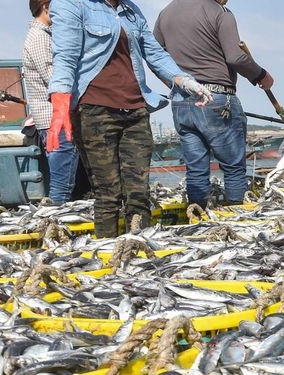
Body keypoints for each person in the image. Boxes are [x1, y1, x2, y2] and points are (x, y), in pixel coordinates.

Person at [47, 0, 212, 238]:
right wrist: (60, 105)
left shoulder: (130, 10)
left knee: (138, 193)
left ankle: (140, 248)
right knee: (107, 193)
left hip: (135, 110)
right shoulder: (71, 4)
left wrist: (186, 81)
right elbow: (65, 56)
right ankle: (105, 248)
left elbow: (155, 54)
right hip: (94, 111)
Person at [154, 0, 273, 207]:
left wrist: (177, 84)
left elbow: (156, 57)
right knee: (233, 167)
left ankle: (197, 218)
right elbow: (236, 57)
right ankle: (237, 217)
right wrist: (261, 75)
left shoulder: (165, 13)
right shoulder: (220, 13)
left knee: (196, 169)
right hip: (217, 99)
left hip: (181, 101)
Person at [22, 0, 80, 204]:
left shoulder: (45, 36)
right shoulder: (39, 38)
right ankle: (54, 223)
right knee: (62, 187)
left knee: (66, 184)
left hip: (56, 119)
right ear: (46, 7)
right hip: (55, 120)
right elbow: (54, 79)